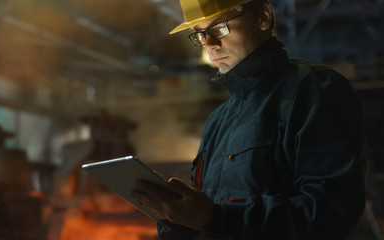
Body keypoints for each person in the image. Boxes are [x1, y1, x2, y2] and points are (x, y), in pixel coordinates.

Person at [131, 0, 366, 239]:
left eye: (220, 28)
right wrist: (179, 220)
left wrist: (214, 219)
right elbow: (210, 220)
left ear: (263, 17)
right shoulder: (218, 120)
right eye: (200, 35)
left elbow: (333, 216)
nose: (209, 45)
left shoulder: (314, 90)